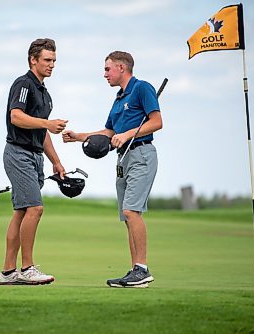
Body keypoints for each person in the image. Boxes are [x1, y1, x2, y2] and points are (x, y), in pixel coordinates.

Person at [62, 51, 162, 288]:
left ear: (121, 67)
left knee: (131, 211)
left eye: (107, 69)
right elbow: (107, 132)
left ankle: (142, 269)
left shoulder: (141, 88)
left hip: (141, 153)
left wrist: (127, 134)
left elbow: (156, 121)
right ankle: (136, 271)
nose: (104, 74)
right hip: (123, 159)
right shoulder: (119, 98)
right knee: (127, 217)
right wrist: (79, 137)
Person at [0, 38, 67, 285]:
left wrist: (56, 162)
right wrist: (47, 123)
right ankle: (27, 268)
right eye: (47, 60)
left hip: (35, 155)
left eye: (54, 61)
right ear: (33, 60)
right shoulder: (24, 84)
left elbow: (42, 132)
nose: (52, 65)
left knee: (21, 212)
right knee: (35, 209)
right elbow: (16, 117)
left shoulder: (44, 93)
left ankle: (8, 272)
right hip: (19, 153)